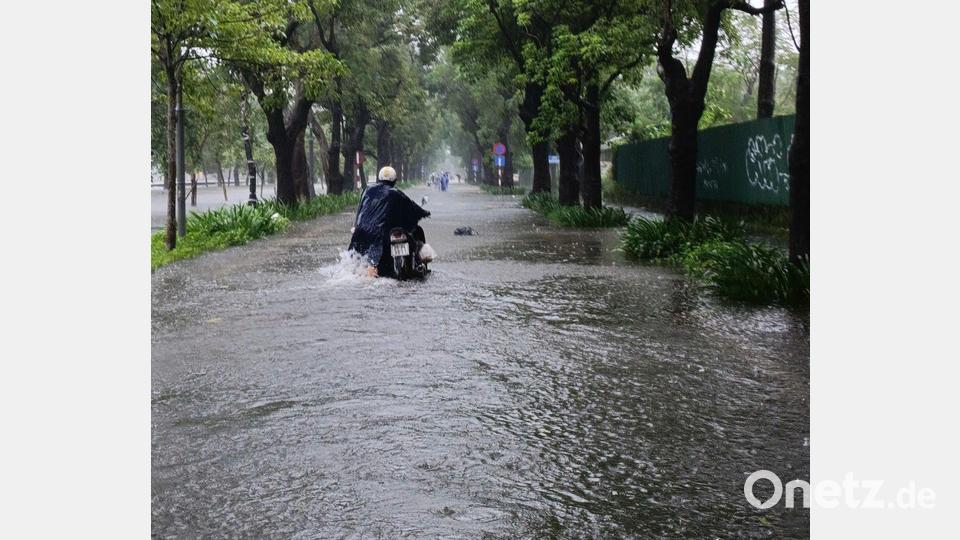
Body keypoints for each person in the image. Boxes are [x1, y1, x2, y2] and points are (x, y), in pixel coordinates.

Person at [349, 166, 430, 278]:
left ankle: (367, 268)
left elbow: (360, 210)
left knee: (356, 260)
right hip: (382, 234)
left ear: (379, 178)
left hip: (363, 231)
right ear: (395, 181)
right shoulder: (396, 193)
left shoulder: (367, 190)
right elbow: (413, 208)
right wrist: (425, 212)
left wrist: (357, 226)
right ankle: (417, 263)